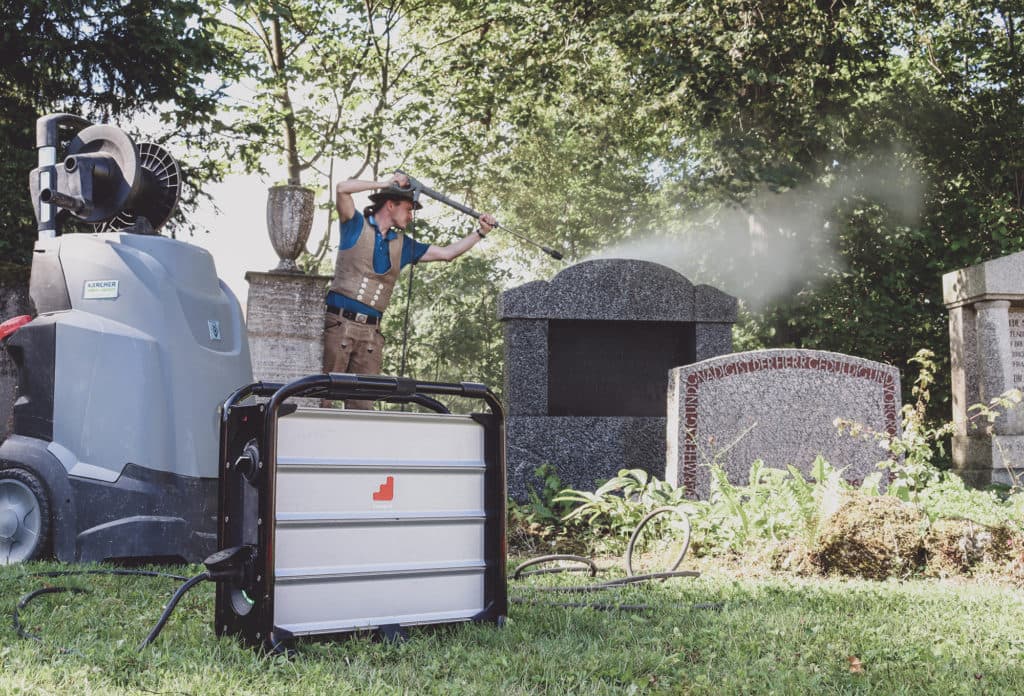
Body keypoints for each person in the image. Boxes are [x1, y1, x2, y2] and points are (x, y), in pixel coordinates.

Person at [322, 172, 496, 409]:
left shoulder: (403, 245)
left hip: (371, 335)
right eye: (408, 208)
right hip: (339, 326)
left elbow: (447, 254)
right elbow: (343, 187)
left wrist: (480, 233)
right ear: (391, 205)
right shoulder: (354, 224)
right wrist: (386, 183)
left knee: (362, 406)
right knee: (324, 398)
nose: (411, 215)